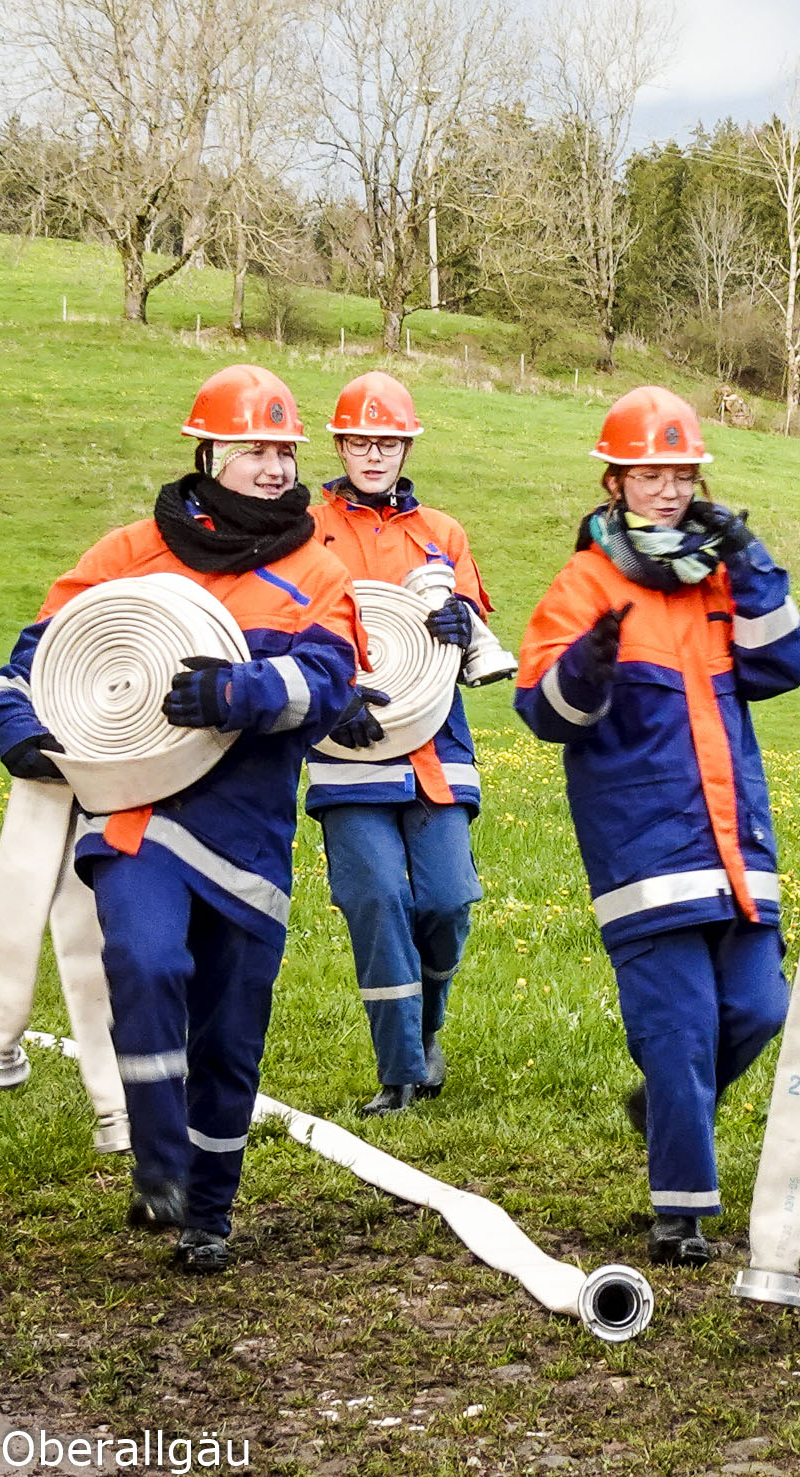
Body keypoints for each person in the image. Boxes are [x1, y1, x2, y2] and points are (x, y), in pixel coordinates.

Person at [0, 364, 364, 1274]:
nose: (275, 467)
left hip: (249, 838)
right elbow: (37, 655)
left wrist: (244, 688)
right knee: (145, 960)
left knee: (230, 1035)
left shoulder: (318, 568)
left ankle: (209, 1214)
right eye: (254, 450)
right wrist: (21, 728)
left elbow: (335, 682)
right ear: (208, 452)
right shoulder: (127, 552)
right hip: (133, 817)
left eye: (284, 450)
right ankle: (158, 1160)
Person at [515, 385, 800, 1266]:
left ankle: (664, 1110)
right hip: (644, 852)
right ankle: (680, 1210)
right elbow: (543, 708)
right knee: (680, 1028)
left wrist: (754, 559)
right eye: (650, 472)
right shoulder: (585, 581)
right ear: (614, 481)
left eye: (682, 472)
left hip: (736, 848)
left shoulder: (721, 574)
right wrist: (589, 664)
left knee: (762, 1009)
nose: (669, 488)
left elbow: (788, 663)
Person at [305, 371, 491, 1116]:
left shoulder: (441, 531)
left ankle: (427, 1025)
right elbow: (284, 624)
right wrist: (325, 697)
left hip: (435, 744)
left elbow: (477, 635)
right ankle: (401, 1071)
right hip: (345, 741)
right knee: (377, 896)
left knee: (446, 900)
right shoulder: (305, 527)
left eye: (387, 440)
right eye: (359, 439)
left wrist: (461, 626)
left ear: (406, 445)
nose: (373, 452)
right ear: (341, 444)